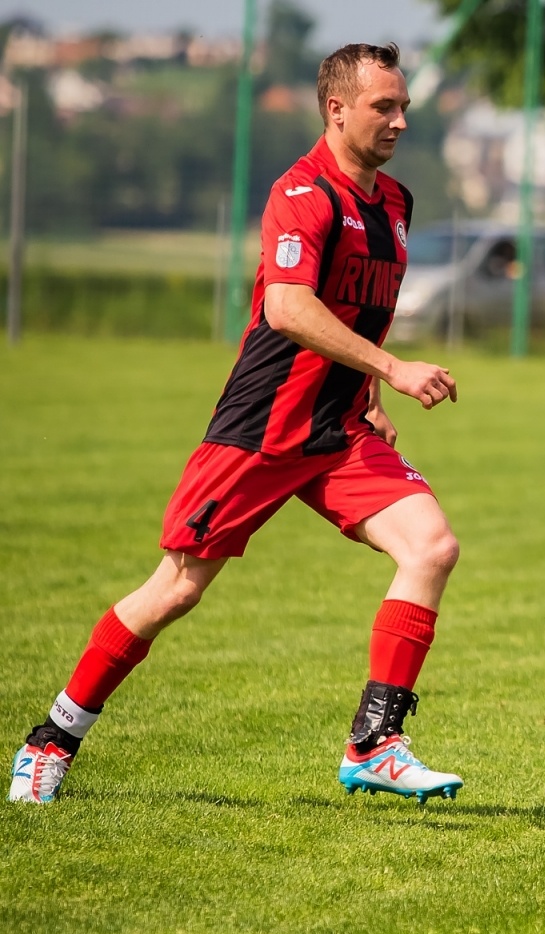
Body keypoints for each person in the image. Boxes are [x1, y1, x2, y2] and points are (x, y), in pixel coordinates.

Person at [10, 44, 465, 805]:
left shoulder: (396, 202)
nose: (400, 120)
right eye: (384, 106)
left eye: (403, 105)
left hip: (340, 431)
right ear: (337, 109)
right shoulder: (302, 191)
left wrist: (372, 394)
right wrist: (393, 371)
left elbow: (362, 306)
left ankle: (375, 742)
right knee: (175, 591)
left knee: (432, 546)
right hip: (263, 427)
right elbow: (287, 309)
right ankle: (52, 737)